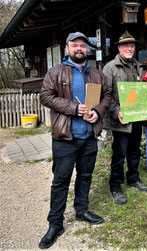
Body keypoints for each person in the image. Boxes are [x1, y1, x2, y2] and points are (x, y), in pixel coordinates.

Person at [39, 31, 111, 249]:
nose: (79, 49)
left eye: (83, 46)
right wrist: (74, 108)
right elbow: (45, 96)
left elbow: (107, 95)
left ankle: (81, 210)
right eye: (75, 45)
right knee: (61, 181)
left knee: (86, 175)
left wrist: (98, 111)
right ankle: (55, 224)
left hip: (89, 135)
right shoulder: (56, 72)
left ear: (87, 49)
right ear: (67, 48)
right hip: (65, 137)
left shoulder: (97, 74)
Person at [103, 31, 147, 205]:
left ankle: (133, 178)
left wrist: (144, 93)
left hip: (136, 117)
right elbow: (105, 94)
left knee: (134, 150)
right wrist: (117, 111)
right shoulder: (110, 68)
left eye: (132, 46)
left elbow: (135, 92)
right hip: (121, 119)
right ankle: (115, 186)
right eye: (126, 46)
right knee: (119, 153)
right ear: (119, 48)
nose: (129, 48)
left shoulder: (138, 66)